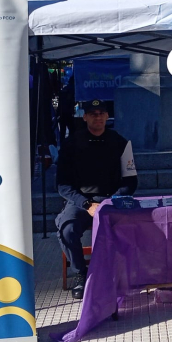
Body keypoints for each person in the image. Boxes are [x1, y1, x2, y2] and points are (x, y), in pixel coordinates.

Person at [55, 99, 137, 299]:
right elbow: (62, 185)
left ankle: (119, 273)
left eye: (101, 113)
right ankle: (82, 274)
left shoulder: (121, 143)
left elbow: (131, 181)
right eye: (93, 114)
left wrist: (112, 200)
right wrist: (86, 204)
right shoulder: (71, 144)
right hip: (81, 202)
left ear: (107, 116)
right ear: (84, 117)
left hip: (111, 201)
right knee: (67, 230)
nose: (98, 117)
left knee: (134, 227)